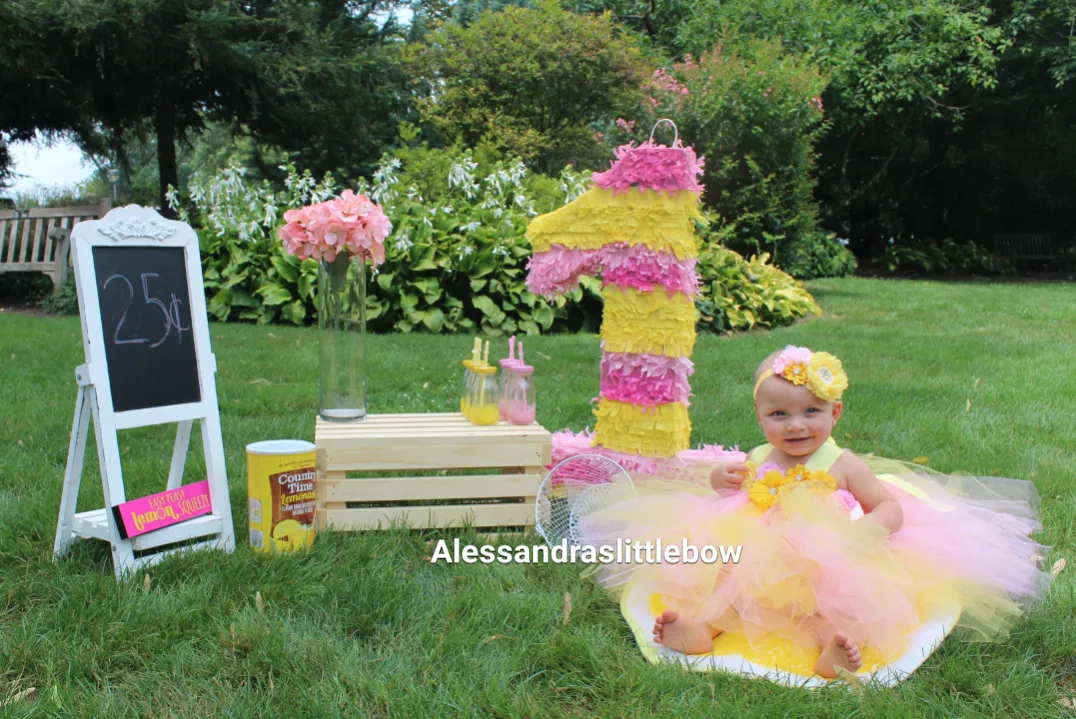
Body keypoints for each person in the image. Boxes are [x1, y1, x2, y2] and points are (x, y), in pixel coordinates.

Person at [578, 345, 1052, 679]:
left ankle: (834, 647)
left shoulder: (843, 464)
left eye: (810, 411)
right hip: (759, 551)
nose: (796, 425)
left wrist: (868, 529)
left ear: (836, 413)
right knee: (726, 575)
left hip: (828, 554)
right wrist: (720, 480)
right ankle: (704, 628)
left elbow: (890, 507)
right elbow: (739, 491)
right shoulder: (761, 456)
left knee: (834, 596)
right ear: (761, 417)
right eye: (779, 415)